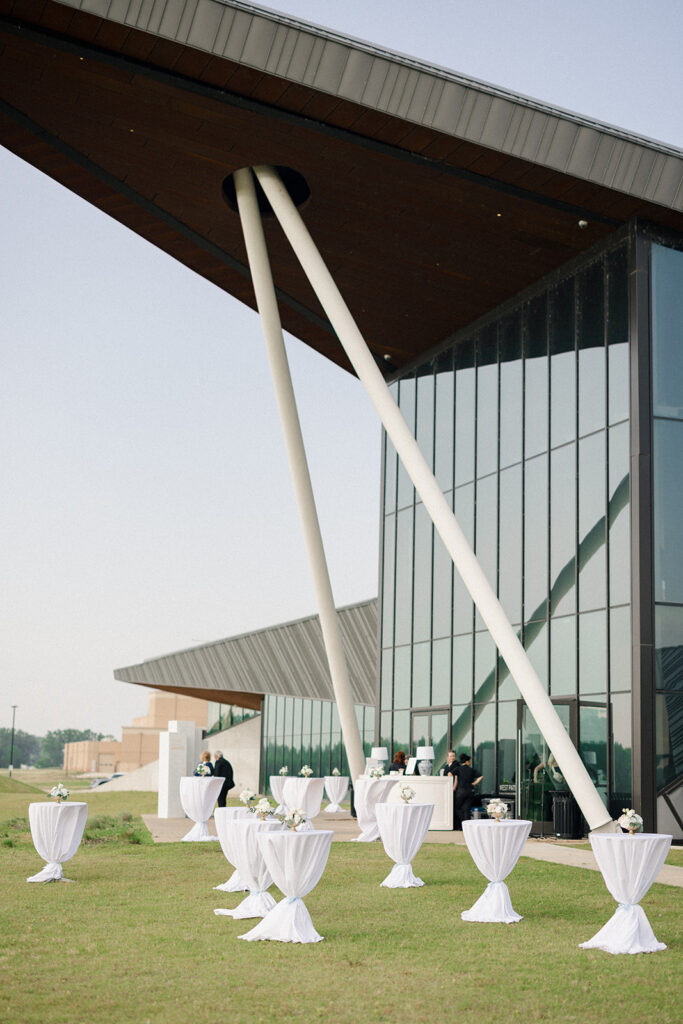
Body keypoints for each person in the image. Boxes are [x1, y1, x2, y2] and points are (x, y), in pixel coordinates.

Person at [453, 752, 482, 829]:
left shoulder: (457, 769)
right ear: (466, 762)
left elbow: (451, 775)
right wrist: (474, 783)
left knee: (457, 808)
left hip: (460, 792)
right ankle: (467, 827)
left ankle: (462, 823)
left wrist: (453, 788)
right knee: (466, 809)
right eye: (469, 761)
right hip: (470, 792)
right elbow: (480, 776)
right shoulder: (471, 770)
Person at [441, 750, 459, 829]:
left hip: (453, 789)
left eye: (453, 756)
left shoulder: (456, 765)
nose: (452, 757)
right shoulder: (447, 766)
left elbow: (456, 777)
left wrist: (454, 787)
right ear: (447, 757)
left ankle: (455, 825)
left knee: (454, 807)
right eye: (451, 756)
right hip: (447, 789)